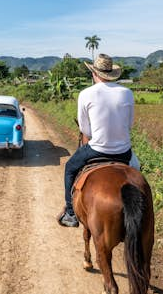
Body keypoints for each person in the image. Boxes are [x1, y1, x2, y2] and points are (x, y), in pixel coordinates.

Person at [58, 53, 140, 227]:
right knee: (138, 172)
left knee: (70, 168)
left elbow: (84, 129)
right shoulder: (127, 93)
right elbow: (130, 124)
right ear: (112, 74)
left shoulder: (86, 94)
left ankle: (71, 213)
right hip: (124, 152)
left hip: (96, 149)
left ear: (94, 74)